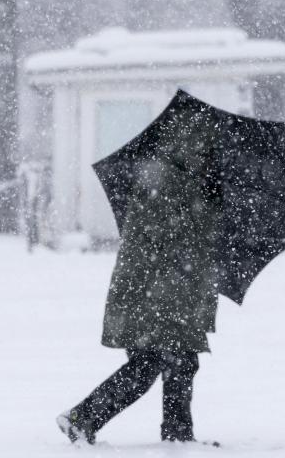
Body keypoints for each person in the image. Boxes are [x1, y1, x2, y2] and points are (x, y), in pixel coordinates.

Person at [58, 112, 221, 445]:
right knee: (152, 363)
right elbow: (173, 241)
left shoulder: (183, 183)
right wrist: (207, 205)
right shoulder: (168, 185)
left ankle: (177, 436)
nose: (207, 157)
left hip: (166, 295)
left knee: (179, 362)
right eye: (203, 150)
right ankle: (83, 418)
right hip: (153, 296)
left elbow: (190, 244)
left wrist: (208, 203)